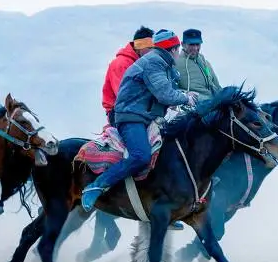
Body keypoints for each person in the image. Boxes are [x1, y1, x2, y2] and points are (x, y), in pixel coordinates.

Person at [81, 29, 194, 212]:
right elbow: (165, 94)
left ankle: (164, 206)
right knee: (141, 156)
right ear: (172, 49)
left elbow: (165, 92)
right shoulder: (154, 63)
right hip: (131, 117)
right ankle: (96, 186)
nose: (179, 52)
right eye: (178, 48)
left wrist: (183, 96)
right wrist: (185, 98)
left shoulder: (161, 64)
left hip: (145, 116)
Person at [102, 26, 154, 125]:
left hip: (136, 108)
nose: (152, 52)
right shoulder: (121, 64)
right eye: (150, 48)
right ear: (139, 47)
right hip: (119, 112)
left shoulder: (141, 63)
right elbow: (124, 94)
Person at [174, 28, 222, 99]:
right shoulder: (175, 63)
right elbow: (171, 89)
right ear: (183, 44)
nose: (195, 48)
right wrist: (185, 93)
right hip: (196, 105)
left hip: (214, 101)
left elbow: (217, 86)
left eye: (198, 44)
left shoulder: (205, 62)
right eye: (191, 44)